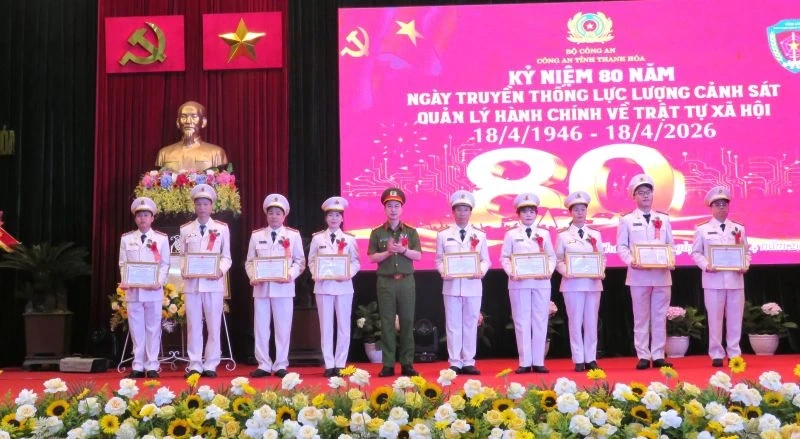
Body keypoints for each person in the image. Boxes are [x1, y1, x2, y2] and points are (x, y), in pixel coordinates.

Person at [616, 174, 675, 370]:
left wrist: (670, 260)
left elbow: (670, 245)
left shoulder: (663, 218)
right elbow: (622, 246)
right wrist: (631, 261)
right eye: (641, 192)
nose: (645, 195)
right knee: (641, 317)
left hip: (661, 276)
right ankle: (643, 354)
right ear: (634, 196)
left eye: (648, 192)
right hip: (638, 275)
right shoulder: (626, 220)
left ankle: (658, 355)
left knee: (659, 316)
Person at [245, 194, 306, 379]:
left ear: (284, 215)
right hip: (262, 289)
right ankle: (263, 364)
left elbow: (300, 262)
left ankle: (281, 364)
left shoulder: (293, 235)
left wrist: (290, 275)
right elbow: (249, 261)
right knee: (261, 328)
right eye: (270, 213)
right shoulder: (256, 235)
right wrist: (253, 276)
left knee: (283, 327)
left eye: (278, 213)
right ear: (266, 215)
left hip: (284, 288)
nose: (274, 216)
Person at [691, 186, 750, 367]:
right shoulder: (702, 229)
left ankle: (734, 352)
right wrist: (706, 265)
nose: (721, 207)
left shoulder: (738, 228)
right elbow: (696, 253)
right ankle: (716, 353)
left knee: (735, 319)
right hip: (713, 280)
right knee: (714, 319)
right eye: (717, 204)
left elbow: (746, 252)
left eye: (724, 204)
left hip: (735, 280)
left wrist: (745, 264)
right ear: (711, 207)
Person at [367, 187, 422, 377]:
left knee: (407, 321)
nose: (393, 209)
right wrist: (388, 252)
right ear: (385, 209)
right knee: (387, 322)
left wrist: (403, 250)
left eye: (396, 206)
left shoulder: (411, 232)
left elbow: (418, 255)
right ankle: (388, 364)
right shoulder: (377, 233)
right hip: (386, 282)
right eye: (389, 206)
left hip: (406, 282)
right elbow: (372, 257)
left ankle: (407, 364)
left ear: (402, 209)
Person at [434, 190, 491, 375]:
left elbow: (486, 260)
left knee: (470, 324)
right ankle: (455, 362)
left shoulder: (480, 235)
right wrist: (443, 271)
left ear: (470, 212)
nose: (462, 213)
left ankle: (468, 361)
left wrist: (480, 271)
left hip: (473, 285)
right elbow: (439, 260)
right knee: (452, 325)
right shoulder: (443, 235)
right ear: (453, 211)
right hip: (451, 286)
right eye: (458, 209)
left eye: (466, 209)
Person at [501, 193, 556, 374]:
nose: (528, 215)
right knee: (521, 321)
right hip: (519, 283)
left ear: (536, 214)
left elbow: (551, 257)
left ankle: (539, 361)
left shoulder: (544, 233)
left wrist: (547, 271)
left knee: (540, 320)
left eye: (532, 211)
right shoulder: (511, 234)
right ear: (518, 214)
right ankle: (524, 362)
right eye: (524, 211)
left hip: (541, 282)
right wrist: (512, 272)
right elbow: (505, 258)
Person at [181, 184, 232, 378]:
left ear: (212, 206)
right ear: (194, 206)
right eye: (199, 204)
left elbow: (227, 257)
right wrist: (185, 270)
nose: (202, 207)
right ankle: (195, 364)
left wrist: (219, 271)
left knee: (213, 324)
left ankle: (211, 363)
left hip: (213, 284)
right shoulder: (186, 229)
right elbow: (183, 256)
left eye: (205, 204)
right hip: (193, 285)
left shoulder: (221, 228)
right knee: (193, 325)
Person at [307, 196, 360, 377]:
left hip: (344, 286)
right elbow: (311, 261)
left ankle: (341, 363)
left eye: (337, 215)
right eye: (330, 215)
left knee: (344, 326)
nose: (334, 218)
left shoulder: (349, 239)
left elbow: (356, 262)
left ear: (342, 218)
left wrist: (348, 273)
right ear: (325, 218)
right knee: (326, 326)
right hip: (323, 286)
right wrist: (316, 273)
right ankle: (329, 364)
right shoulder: (317, 239)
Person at [118, 197, 170, 378]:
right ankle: (138, 365)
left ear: (152, 218)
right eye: (139, 215)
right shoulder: (126, 239)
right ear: (135, 218)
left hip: (153, 291)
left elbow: (165, 264)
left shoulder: (161, 239)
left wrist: (159, 281)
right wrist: (125, 280)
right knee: (136, 329)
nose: (142, 218)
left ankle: (152, 365)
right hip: (133, 291)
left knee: (153, 328)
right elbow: (123, 263)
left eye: (146, 215)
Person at [555, 191, 606, 372]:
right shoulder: (563, 235)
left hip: (592, 283)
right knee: (575, 322)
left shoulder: (595, 234)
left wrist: (600, 270)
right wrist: (566, 272)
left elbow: (602, 257)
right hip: (572, 284)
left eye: (582, 209)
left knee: (591, 322)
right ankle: (578, 358)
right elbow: (558, 260)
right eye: (576, 209)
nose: (579, 212)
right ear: (570, 212)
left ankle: (591, 358)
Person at [155, 101, 229, 171]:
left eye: (194, 116)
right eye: (183, 117)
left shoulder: (217, 153)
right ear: (178, 122)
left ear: (203, 122)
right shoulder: (164, 153)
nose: (188, 121)